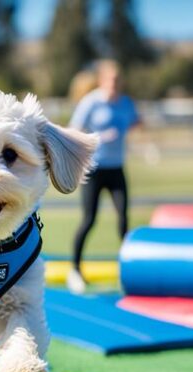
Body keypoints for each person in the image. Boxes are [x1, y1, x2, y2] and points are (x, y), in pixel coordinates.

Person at [66, 60, 141, 294]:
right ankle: (75, 270)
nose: (114, 85)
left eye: (118, 81)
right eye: (110, 81)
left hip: (116, 168)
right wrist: (99, 136)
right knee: (89, 219)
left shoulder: (125, 102)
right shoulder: (91, 103)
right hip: (94, 169)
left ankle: (131, 272)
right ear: (102, 81)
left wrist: (134, 126)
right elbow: (73, 130)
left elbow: (136, 121)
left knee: (123, 220)